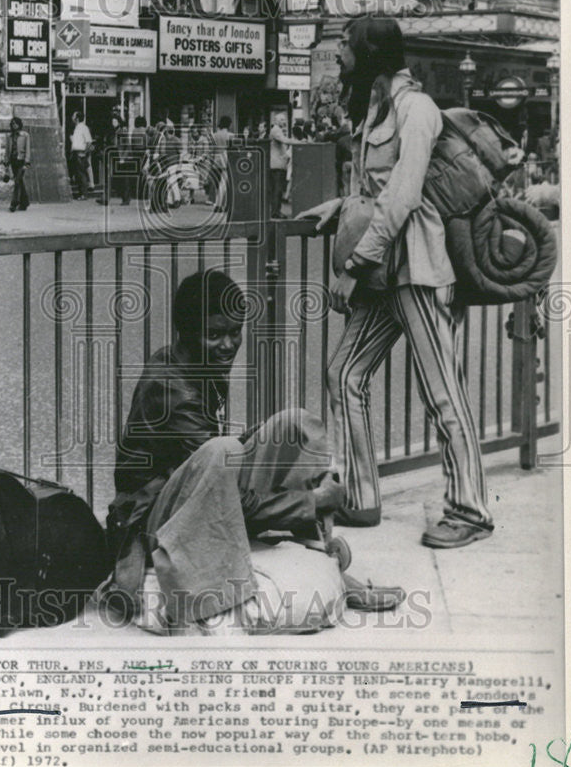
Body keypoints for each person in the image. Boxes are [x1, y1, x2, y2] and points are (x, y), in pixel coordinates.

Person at [105, 269, 405, 635]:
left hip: (190, 492)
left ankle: (325, 557)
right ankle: (319, 561)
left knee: (295, 426)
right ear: (185, 333)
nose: (228, 345)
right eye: (214, 334)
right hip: (153, 520)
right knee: (225, 449)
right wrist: (311, 501)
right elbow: (228, 491)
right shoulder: (171, 391)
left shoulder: (198, 360)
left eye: (234, 332)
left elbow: (216, 466)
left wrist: (267, 443)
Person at [298, 16, 493, 549]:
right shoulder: (379, 106)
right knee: (345, 374)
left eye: (346, 44)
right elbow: (379, 188)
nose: (338, 51)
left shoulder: (416, 109)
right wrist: (340, 205)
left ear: (371, 53)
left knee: (442, 394)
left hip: (419, 274)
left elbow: (404, 197)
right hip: (389, 273)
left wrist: (353, 269)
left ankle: (471, 511)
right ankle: (361, 497)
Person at [5, 116, 31, 212]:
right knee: (19, 181)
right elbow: (7, 150)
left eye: (15, 123)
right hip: (13, 161)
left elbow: (28, 149)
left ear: (19, 124)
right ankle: (25, 202)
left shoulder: (25, 135)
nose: (14, 125)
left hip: (21, 160)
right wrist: (6, 162)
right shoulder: (9, 136)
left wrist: (27, 162)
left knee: (17, 181)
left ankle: (14, 203)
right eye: (12, 124)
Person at [269, 112, 290, 219]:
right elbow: (284, 140)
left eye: (284, 119)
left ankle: (276, 210)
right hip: (277, 165)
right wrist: (298, 141)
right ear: (276, 121)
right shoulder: (276, 130)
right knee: (277, 189)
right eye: (281, 120)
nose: (284, 121)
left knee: (277, 189)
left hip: (278, 164)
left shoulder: (277, 130)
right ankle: (275, 212)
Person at [69, 110, 93, 199]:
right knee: (78, 175)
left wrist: (84, 153)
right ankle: (81, 193)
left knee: (81, 174)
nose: (72, 118)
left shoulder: (83, 128)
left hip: (80, 153)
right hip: (76, 153)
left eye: (73, 116)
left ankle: (84, 194)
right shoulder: (77, 128)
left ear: (77, 118)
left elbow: (89, 142)